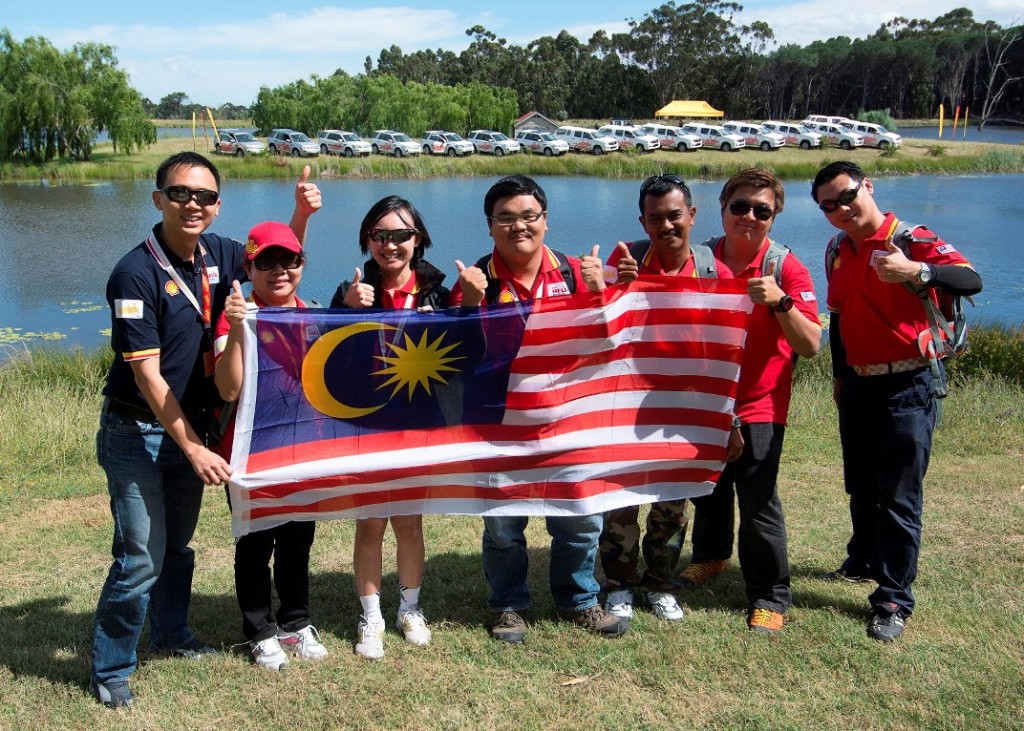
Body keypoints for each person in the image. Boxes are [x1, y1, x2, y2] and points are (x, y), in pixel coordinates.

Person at [91, 153, 320, 706]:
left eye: (205, 197)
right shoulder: (134, 272)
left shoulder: (217, 253)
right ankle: (112, 667)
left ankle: (172, 634)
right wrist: (194, 448)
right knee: (141, 554)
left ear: (217, 207)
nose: (193, 204)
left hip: (189, 427)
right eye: (180, 193)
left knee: (178, 549)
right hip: (138, 430)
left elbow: (276, 262)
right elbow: (147, 378)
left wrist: (300, 217)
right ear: (158, 199)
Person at [451, 174, 628, 643]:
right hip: (499, 425)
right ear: (490, 227)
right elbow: (460, 359)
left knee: (581, 520)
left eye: (528, 216)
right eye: (505, 219)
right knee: (504, 527)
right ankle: (509, 605)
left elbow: (610, 345)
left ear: (545, 221)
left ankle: (579, 600)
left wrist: (596, 293)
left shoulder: (576, 271)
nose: (518, 227)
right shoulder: (475, 279)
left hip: (568, 421)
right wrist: (470, 303)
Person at [811, 160, 982, 641]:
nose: (840, 209)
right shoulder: (836, 250)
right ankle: (862, 559)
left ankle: (892, 599)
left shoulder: (911, 238)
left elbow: (971, 279)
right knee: (861, 486)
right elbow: (839, 318)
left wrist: (919, 271)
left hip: (909, 385)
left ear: (867, 185)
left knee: (899, 498)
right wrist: (840, 376)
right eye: (828, 206)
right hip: (860, 386)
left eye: (846, 196)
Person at [579, 173, 733, 623]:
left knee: (672, 503)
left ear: (692, 215)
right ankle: (619, 583)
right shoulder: (625, 260)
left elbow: (725, 352)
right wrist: (615, 287)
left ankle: (659, 582)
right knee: (621, 500)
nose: (666, 226)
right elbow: (598, 328)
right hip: (627, 401)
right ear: (642, 222)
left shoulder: (711, 270)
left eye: (674, 215)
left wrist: (731, 420)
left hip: (685, 406)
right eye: (655, 218)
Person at [675, 168, 822, 634]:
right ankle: (712, 556)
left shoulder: (785, 267)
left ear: (774, 218)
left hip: (760, 402)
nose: (750, 216)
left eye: (762, 210)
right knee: (709, 487)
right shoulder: (697, 258)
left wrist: (781, 303)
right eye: (740, 206)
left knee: (758, 499)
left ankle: (769, 595)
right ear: (721, 209)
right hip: (706, 397)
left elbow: (812, 344)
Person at [330, 196, 449, 659]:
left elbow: (470, 353)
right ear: (367, 240)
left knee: (410, 523)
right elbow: (330, 361)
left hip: (417, 424)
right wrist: (344, 310)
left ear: (418, 239)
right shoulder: (353, 288)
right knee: (369, 524)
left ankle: (410, 608)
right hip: (368, 425)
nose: (391, 244)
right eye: (380, 235)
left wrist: (465, 310)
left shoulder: (440, 292)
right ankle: (371, 615)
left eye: (401, 235)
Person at [213, 221, 328, 670]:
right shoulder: (238, 313)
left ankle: (296, 622)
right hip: (250, 452)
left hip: (303, 448)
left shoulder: (314, 314)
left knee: (298, 540)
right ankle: (259, 630)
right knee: (256, 543)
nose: (279, 271)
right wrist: (239, 331)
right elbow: (227, 389)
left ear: (301, 264)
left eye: (289, 260)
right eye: (267, 262)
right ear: (250, 266)